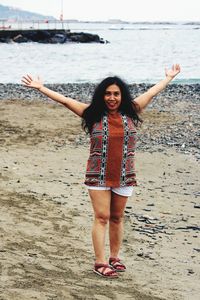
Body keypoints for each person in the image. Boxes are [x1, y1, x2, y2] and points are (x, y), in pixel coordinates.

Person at [22, 64, 180, 278]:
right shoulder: (92, 114)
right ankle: (100, 262)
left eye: (116, 94)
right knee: (102, 216)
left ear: (122, 96)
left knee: (117, 217)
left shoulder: (132, 111)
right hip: (98, 175)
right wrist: (41, 88)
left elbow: (151, 92)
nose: (112, 98)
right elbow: (65, 100)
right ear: (101, 96)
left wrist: (169, 78)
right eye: (107, 94)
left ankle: (115, 257)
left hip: (125, 174)